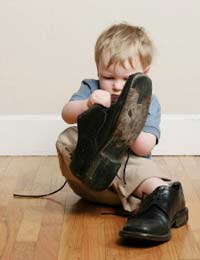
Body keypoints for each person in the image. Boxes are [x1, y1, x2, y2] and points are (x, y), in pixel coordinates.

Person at [56, 23, 188, 242]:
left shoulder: (148, 101)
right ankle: (143, 201)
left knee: (140, 170)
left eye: (127, 79)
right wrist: (88, 104)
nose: (117, 86)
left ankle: (163, 198)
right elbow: (66, 114)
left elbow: (144, 147)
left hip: (129, 172)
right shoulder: (92, 87)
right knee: (67, 138)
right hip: (88, 179)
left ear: (145, 75)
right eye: (108, 77)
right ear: (97, 69)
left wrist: (128, 125)